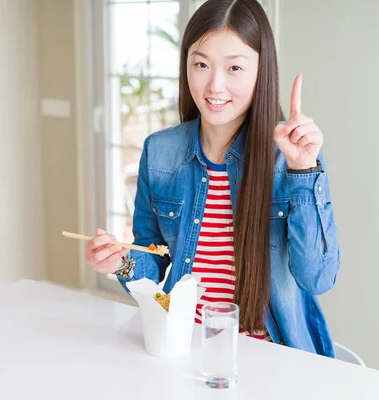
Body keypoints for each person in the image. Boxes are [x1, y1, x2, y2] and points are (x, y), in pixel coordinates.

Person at [85, 0, 340, 357]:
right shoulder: (160, 153)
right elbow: (154, 260)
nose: (214, 85)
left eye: (234, 67)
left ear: (260, 70)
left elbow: (317, 278)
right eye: (201, 64)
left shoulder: (292, 156)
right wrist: (121, 260)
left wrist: (303, 171)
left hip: (272, 357)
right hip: (184, 345)